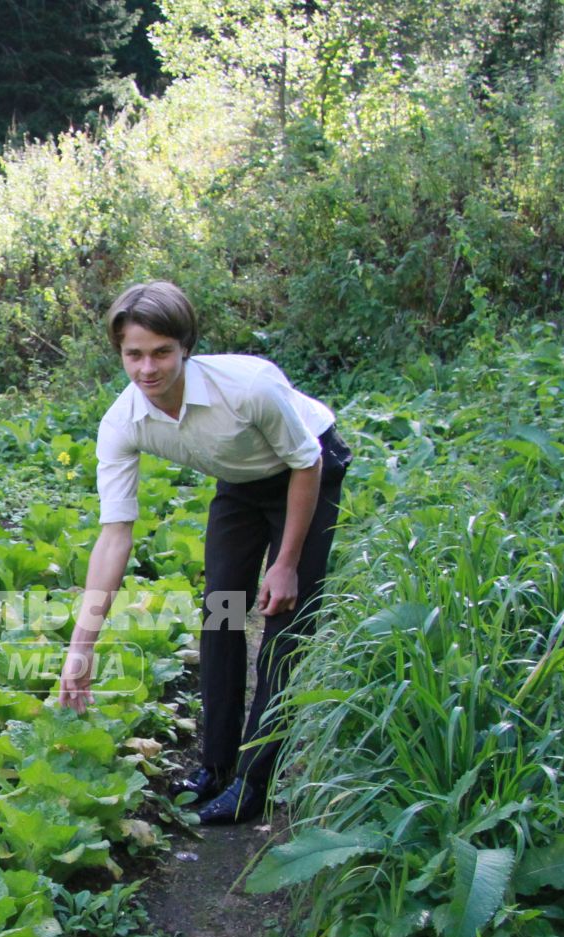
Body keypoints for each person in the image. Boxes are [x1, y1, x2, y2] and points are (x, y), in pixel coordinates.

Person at [56, 281, 349, 824]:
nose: (148, 369)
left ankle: (253, 782)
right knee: (222, 615)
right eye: (134, 354)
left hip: (306, 470)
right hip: (238, 482)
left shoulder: (249, 388)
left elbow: (306, 462)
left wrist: (284, 565)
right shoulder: (122, 423)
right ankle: (215, 767)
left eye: (161, 352)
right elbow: (115, 535)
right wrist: (82, 646)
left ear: (185, 346)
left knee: (285, 625)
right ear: (120, 353)